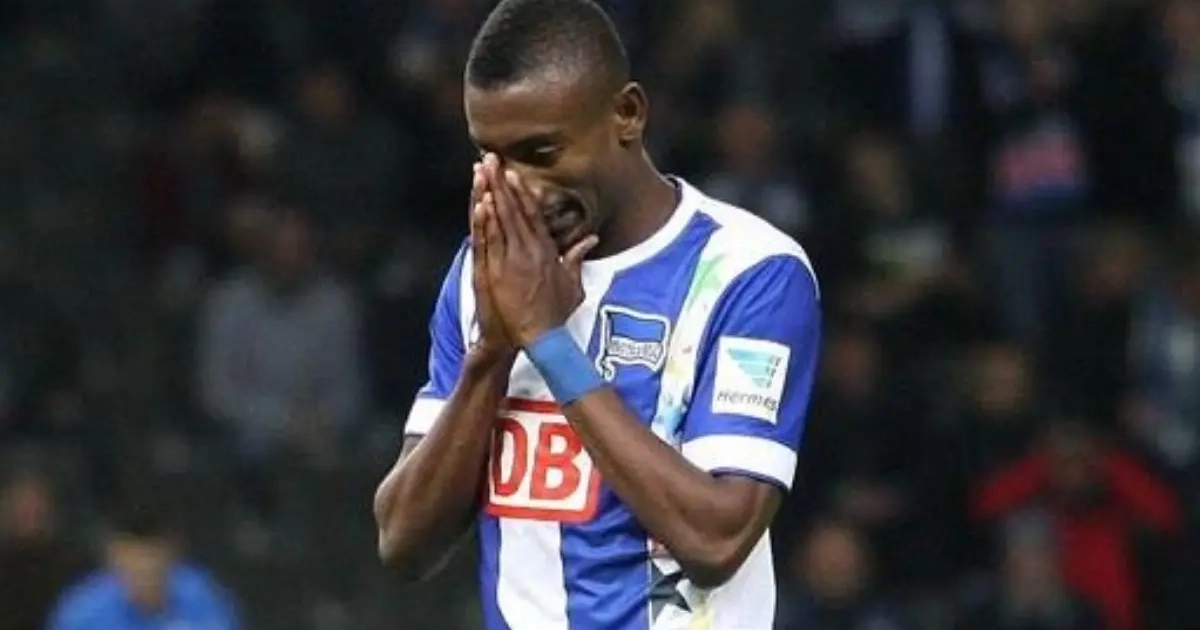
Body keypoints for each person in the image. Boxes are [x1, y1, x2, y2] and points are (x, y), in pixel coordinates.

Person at [372, 0, 821, 628]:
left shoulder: (749, 271)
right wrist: (492, 354)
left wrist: (548, 340)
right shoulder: (484, 272)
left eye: (542, 152)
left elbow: (716, 540)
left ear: (627, 114)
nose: (521, 188)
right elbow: (403, 543)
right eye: (493, 157)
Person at [47, 499, 239, 630]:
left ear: (172, 554)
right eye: (134, 562)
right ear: (113, 559)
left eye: (152, 560)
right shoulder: (83, 612)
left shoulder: (202, 594)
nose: (144, 569)